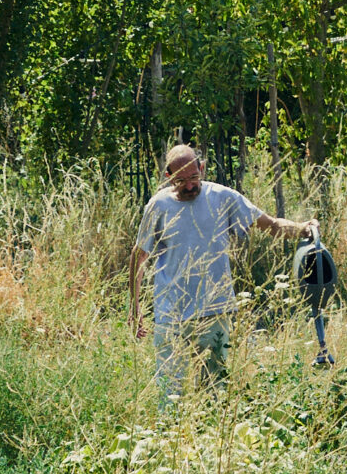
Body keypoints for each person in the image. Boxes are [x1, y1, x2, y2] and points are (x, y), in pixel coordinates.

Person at [130, 141, 319, 401]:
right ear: (168, 176)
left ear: (203, 168)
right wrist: (135, 308)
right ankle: (168, 436)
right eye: (180, 180)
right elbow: (139, 256)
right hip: (171, 316)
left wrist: (302, 228)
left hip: (215, 312)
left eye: (194, 177)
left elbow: (271, 224)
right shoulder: (158, 206)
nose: (189, 186)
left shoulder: (222, 197)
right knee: (170, 395)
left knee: (214, 393)